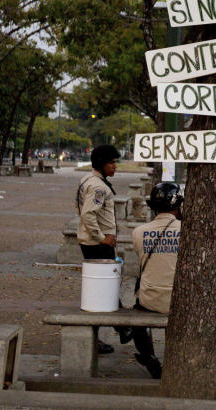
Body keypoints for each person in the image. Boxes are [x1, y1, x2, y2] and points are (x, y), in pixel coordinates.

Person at [76, 144, 130, 353]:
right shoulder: (99, 187)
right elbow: (88, 214)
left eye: (116, 161)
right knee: (102, 292)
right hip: (98, 244)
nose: (115, 166)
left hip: (92, 242)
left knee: (101, 291)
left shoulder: (90, 180)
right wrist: (102, 238)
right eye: (111, 162)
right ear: (101, 164)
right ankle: (122, 328)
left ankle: (117, 330)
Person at [130, 181, 183, 378]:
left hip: (150, 299)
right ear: (178, 206)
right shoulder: (189, 232)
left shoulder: (138, 232)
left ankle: (148, 356)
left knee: (136, 310)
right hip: (180, 300)